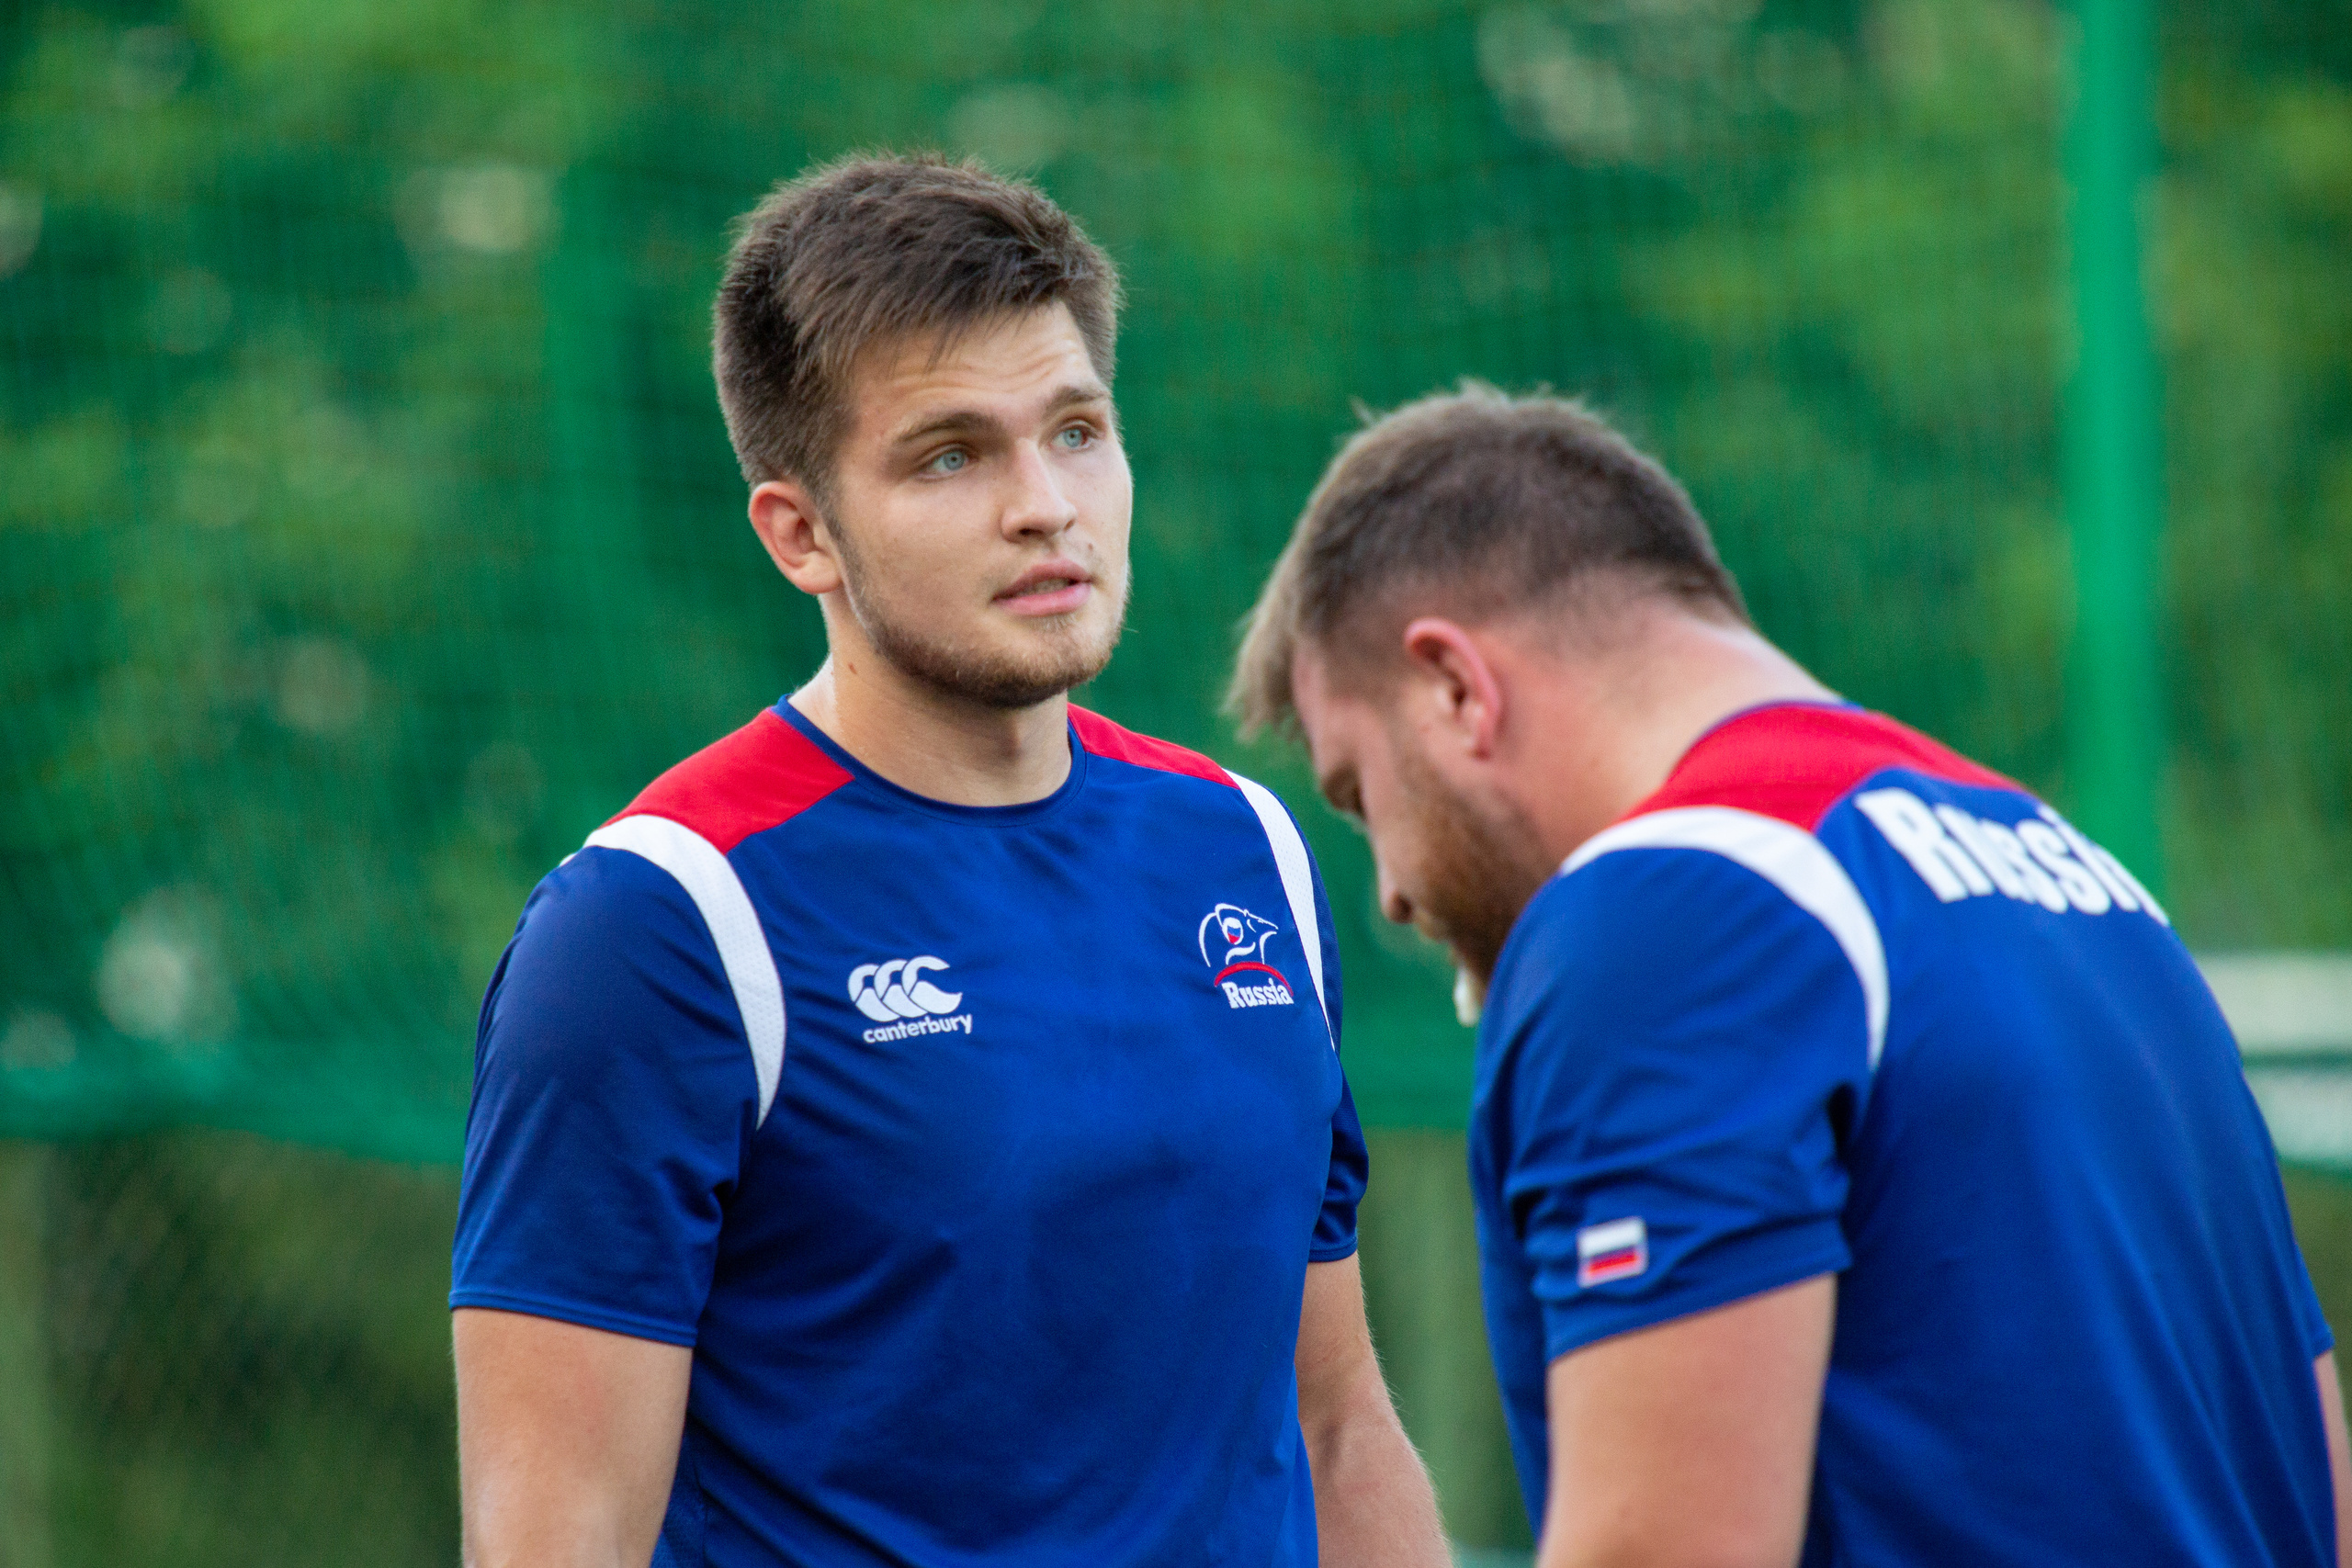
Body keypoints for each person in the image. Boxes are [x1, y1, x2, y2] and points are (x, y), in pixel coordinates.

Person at [449, 154, 1447, 1568]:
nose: (1045, 504)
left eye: (1077, 432)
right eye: (951, 456)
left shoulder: (1247, 850)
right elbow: (560, 1538)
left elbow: (1336, 1426)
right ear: (802, 535)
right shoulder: (659, 928)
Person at [1229, 382, 2352, 1568]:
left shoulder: (1673, 909)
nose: (1391, 893)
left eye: (1361, 795)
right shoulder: (2094, 898)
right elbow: (2314, 1487)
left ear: (1457, 689)